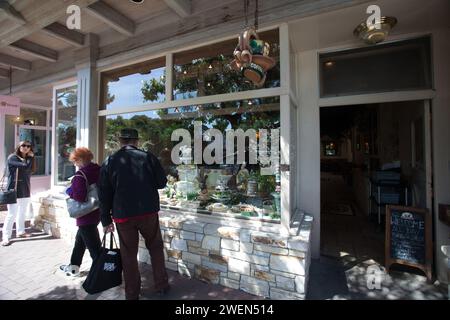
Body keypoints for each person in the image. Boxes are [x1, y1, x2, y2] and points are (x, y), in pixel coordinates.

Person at [98, 128, 169, 300]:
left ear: (120, 141)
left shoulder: (110, 161)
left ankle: (132, 293)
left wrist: (105, 219)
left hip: (123, 214)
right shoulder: (148, 157)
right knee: (156, 247)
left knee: (128, 254)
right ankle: (161, 285)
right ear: (137, 141)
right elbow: (161, 183)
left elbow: (104, 193)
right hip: (148, 212)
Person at [59, 147, 102, 277]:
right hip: (96, 211)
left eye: (75, 161)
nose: (74, 164)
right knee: (80, 241)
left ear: (81, 160)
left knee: (95, 249)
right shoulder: (98, 170)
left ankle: (102, 274)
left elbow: (80, 197)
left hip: (85, 215)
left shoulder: (80, 175)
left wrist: (69, 191)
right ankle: (73, 267)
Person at [1, 141, 36, 246]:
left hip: (25, 188)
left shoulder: (28, 159)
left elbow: (30, 169)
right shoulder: (12, 158)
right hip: (13, 189)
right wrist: (30, 158)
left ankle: (20, 232)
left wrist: (30, 159)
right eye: (23, 145)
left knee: (22, 212)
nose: (26, 148)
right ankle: (6, 237)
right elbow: (24, 166)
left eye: (28, 146)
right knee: (11, 214)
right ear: (19, 147)